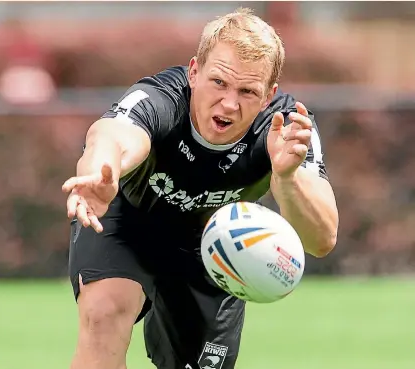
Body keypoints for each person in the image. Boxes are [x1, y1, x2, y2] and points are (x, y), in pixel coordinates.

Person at [62, 8, 339, 369]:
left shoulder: (287, 129)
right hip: (128, 222)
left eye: (247, 91)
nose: (229, 103)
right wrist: (103, 174)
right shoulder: (161, 98)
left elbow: (322, 239)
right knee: (104, 318)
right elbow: (112, 136)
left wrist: (286, 180)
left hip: (216, 246)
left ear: (269, 95)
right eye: (219, 82)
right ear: (194, 71)